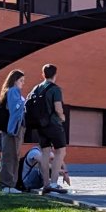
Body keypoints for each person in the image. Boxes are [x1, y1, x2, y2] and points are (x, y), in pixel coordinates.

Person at [28, 63, 68, 195]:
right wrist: (62, 117)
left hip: (40, 125)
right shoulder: (55, 89)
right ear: (55, 75)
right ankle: (54, 183)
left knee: (45, 153)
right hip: (53, 124)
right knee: (60, 151)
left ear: (43, 74)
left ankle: (46, 184)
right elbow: (58, 108)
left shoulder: (36, 88)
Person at [0, 69, 26, 194]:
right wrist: (13, 129)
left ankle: (10, 184)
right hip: (13, 129)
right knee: (11, 156)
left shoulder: (11, 91)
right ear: (14, 80)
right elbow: (15, 111)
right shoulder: (13, 91)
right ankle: (7, 184)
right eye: (21, 80)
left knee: (12, 156)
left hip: (14, 129)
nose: (23, 83)